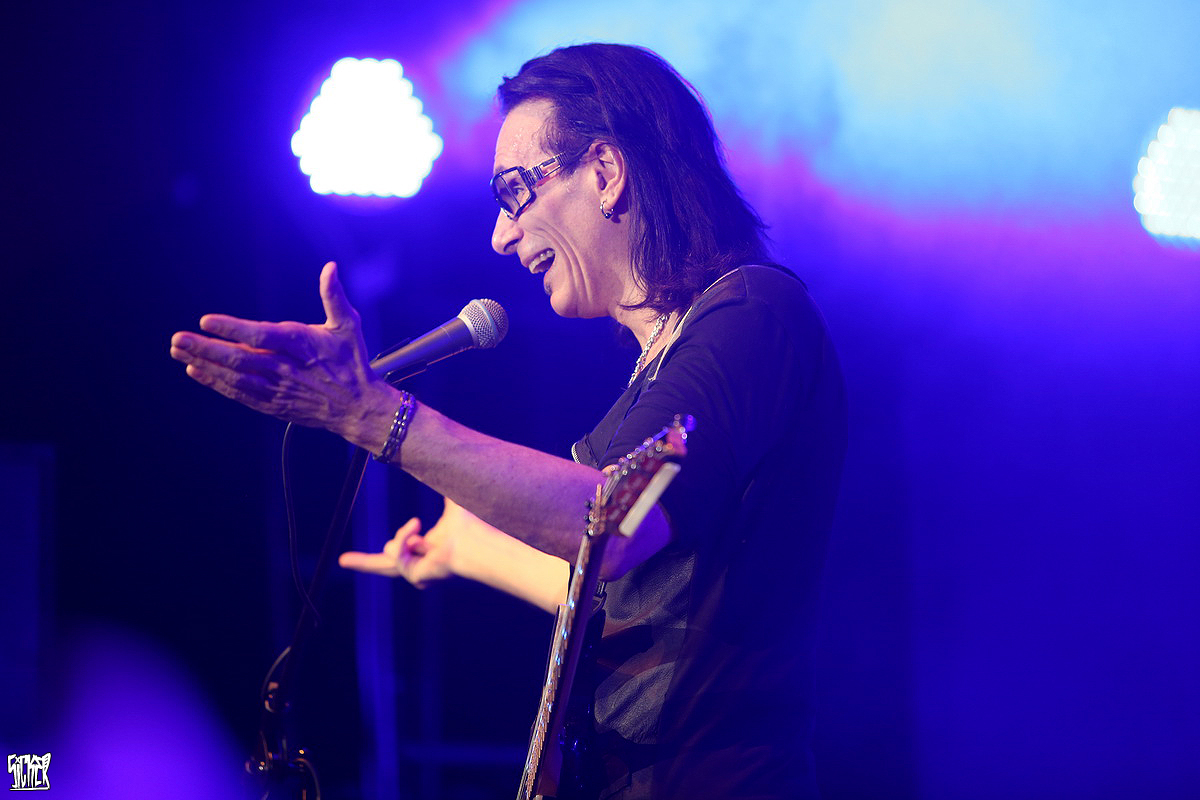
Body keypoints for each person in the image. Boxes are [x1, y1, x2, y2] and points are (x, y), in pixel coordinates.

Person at [170, 43, 845, 799]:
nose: (500, 234)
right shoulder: (664, 367)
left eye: (515, 190)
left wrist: (374, 415)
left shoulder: (752, 313)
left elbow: (609, 525)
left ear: (606, 171)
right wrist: (467, 544)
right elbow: (615, 581)